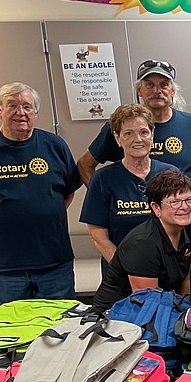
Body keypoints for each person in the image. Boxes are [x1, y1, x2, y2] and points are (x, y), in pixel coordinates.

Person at [76, 58, 191, 281]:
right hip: (134, 220)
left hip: (189, 220)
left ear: (172, 90)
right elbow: (85, 164)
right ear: (139, 90)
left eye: (163, 84)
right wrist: (103, 199)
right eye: (149, 84)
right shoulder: (120, 125)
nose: (156, 90)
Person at [0, 83, 81, 302]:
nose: (20, 112)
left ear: (36, 113)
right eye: (12, 105)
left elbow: (68, 192)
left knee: (61, 327)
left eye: (27, 106)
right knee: (16, 330)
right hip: (5, 264)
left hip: (53, 259)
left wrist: (42, 217)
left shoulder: (55, 146)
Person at [80, 103, 171, 273]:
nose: (137, 139)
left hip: (165, 272)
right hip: (120, 273)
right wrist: (125, 268)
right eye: (128, 133)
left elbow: (181, 227)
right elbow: (98, 235)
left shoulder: (170, 174)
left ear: (152, 135)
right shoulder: (103, 179)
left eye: (144, 132)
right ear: (117, 138)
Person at [91, 169, 191, 311]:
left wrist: (186, 313)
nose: (185, 207)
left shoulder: (190, 231)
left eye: (188, 200)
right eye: (175, 202)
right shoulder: (143, 244)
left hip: (162, 308)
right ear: (156, 208)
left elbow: (184, 279)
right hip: (118, 317)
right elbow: (147, 305)